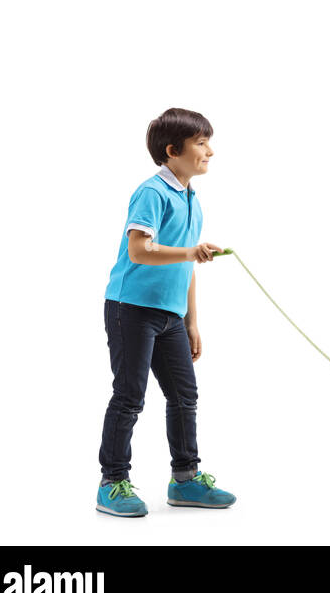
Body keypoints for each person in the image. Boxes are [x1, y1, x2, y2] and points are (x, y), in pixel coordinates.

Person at [96, 107, 237, 517]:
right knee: (129, 396)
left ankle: (186, 479)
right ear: (173, 151)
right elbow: (139, 250)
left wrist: (191, 320)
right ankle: (113, 482)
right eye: (201, 143)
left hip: (169, 315)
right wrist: (190, 250)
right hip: (132, 309)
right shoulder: (152, 193)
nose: (210, 150)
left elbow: (185, 264)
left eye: (208, 141)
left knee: (184, 395)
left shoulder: (192, 198)